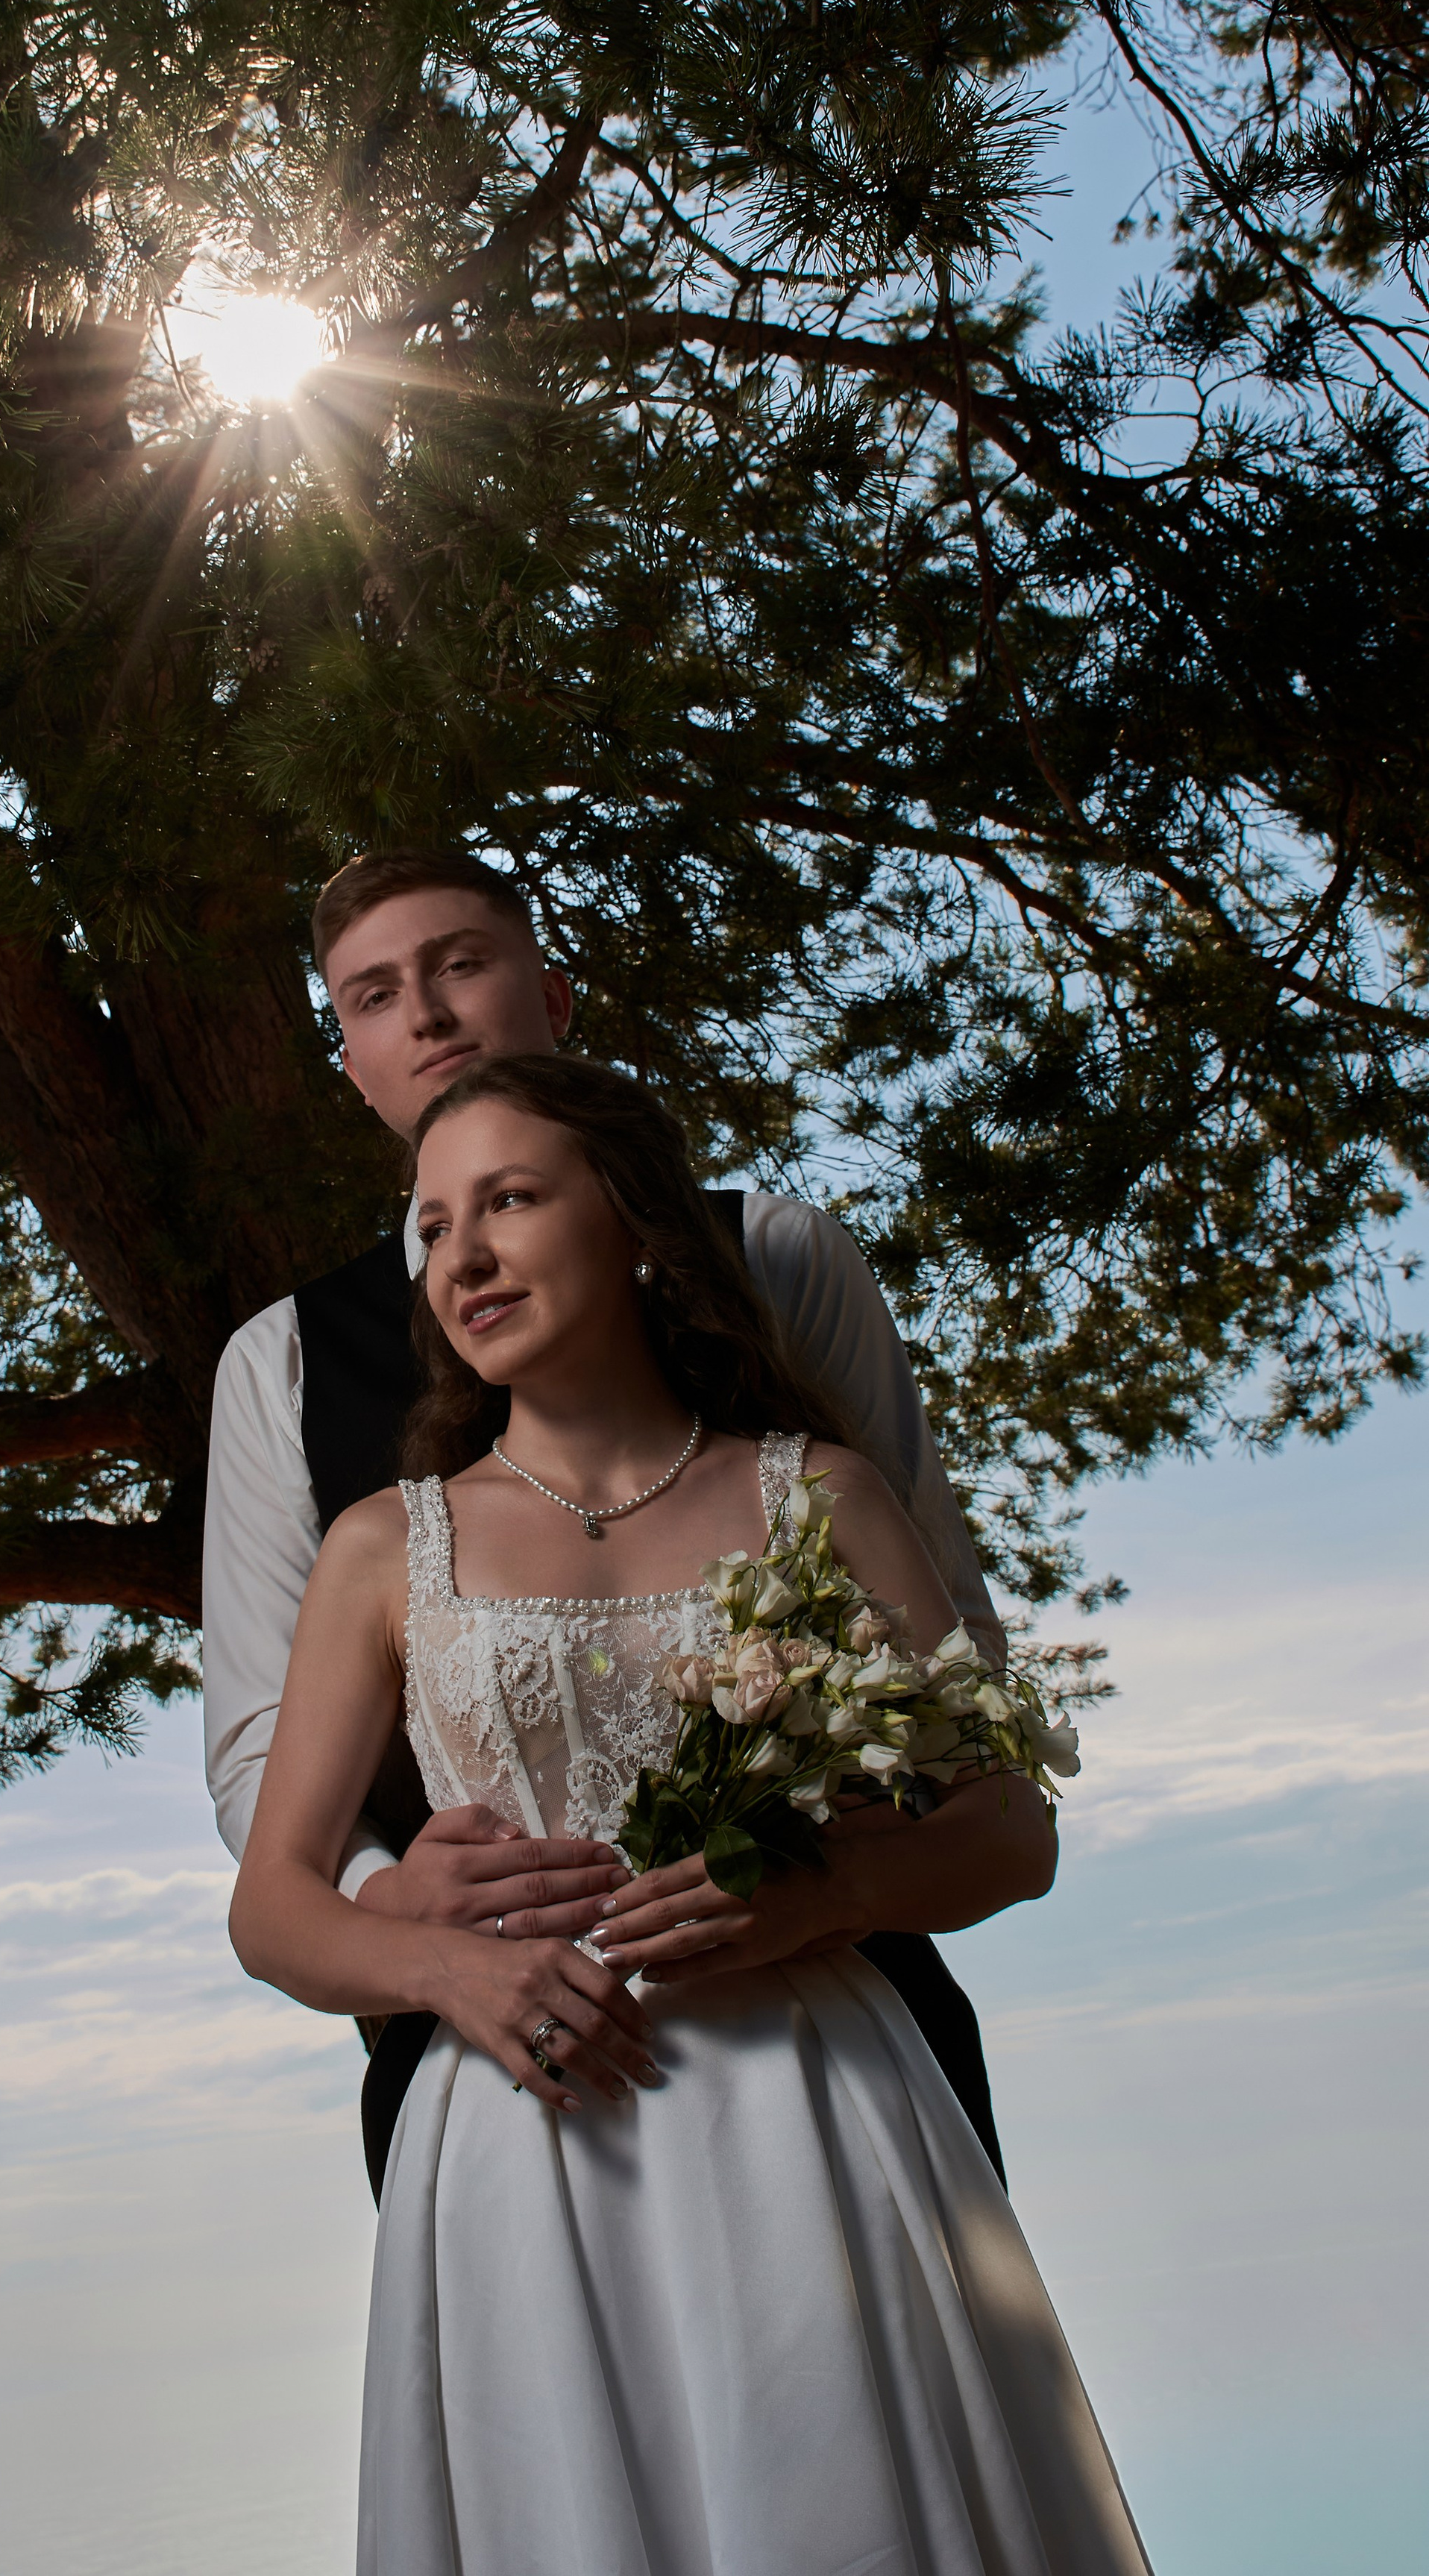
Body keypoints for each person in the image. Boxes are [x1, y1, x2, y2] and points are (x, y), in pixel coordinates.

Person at [230, 1055, 1151, 2575]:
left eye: (510, 1200)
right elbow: (274, 1905)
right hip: (528, 2134)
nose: (460, 1254)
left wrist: (817, 1897)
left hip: (810, 2104)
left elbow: (1008, 1834)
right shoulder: (385, 1547)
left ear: (636, 1223)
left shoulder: (822, 1496)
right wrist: (451, 1975)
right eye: (430, 1224)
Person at [204, 847, 1008, 2193]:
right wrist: (390, 1901)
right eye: (375, 996)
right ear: (349, 1057)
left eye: (462, 963)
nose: (430, 1015)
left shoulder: (784, 1261)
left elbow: (947, 1652)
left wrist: (836, 1882)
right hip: (500, 2057)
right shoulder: (281, 1368)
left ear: (555, 995)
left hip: (838, 2020)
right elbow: (254, 1757)